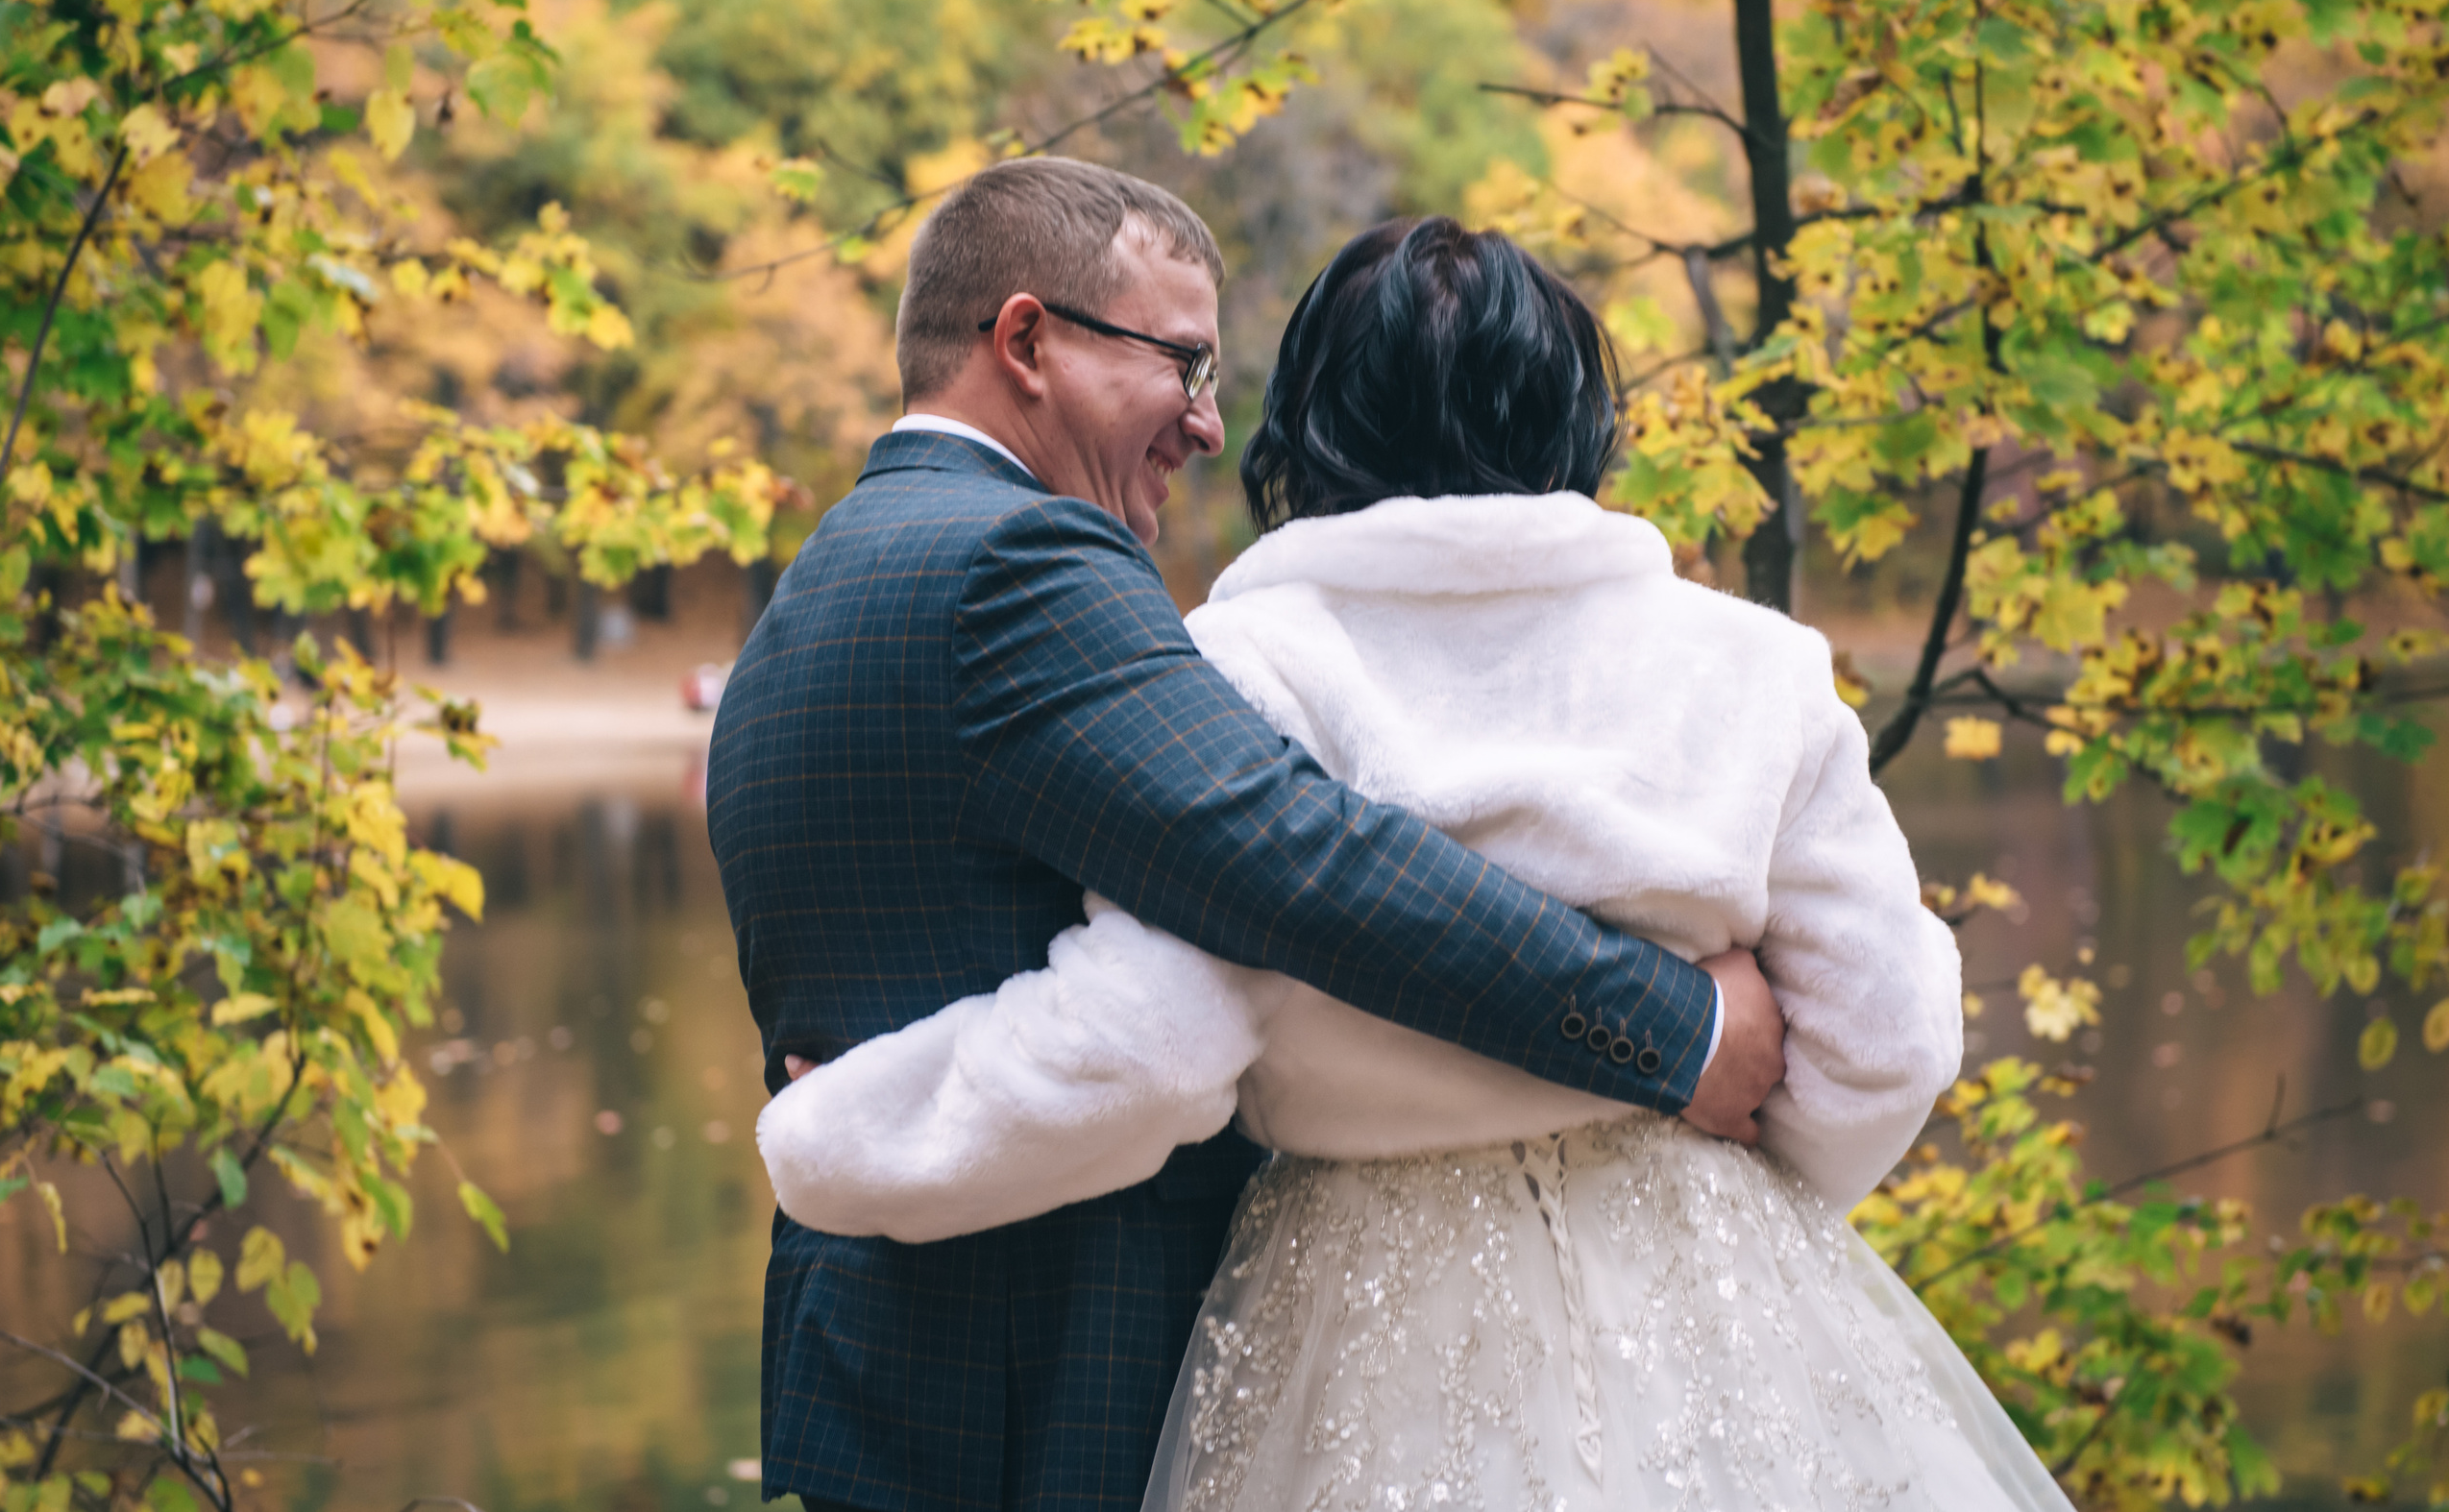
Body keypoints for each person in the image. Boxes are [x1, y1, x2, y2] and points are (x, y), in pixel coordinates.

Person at [757, 217, 2080, 1511]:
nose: (1206, 422)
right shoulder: (1750, 667)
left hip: (1363, 1312)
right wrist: (1721, 1197)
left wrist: (843, 1130)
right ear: (1576, 415)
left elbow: (1151, 1045)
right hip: (1708, 1275)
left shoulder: (1244, 666)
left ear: (1316, 428)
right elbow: (1890, 1041)